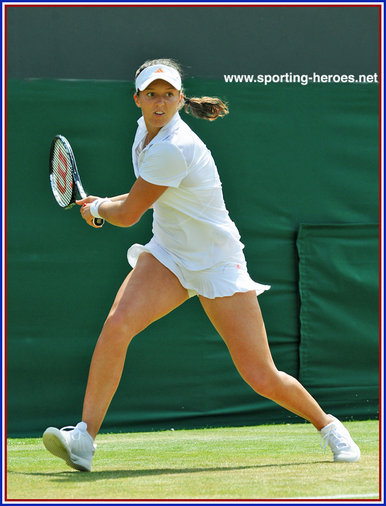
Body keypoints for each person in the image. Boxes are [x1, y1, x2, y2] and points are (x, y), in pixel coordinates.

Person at [43, 58, 360, 472]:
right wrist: (105, 205)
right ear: (137, 98)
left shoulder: (176, 146)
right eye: (152, 94)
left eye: (168, 95)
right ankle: (84, 438)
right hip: (170, 253)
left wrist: (100, 207)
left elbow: (130, 213)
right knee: (117, 325)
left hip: (215, 261)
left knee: (260, 375)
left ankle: (329, 425)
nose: (160, 103)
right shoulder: (144, 132)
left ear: (180, 98)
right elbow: (144, 195)